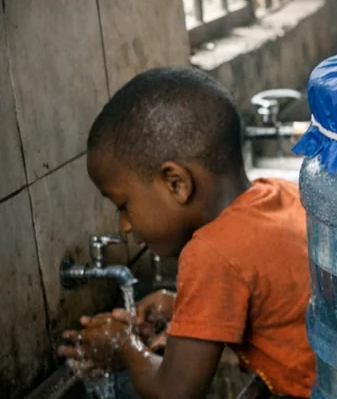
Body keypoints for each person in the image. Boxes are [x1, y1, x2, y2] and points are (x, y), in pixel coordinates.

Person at [58, 68, 315, 399]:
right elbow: (269, 294)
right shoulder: (278, 193)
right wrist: (180, 306)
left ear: (176, 183)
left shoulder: (209, 252)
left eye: (123, 204)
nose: (124, 224)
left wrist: (124, 346)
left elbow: (175, 393)